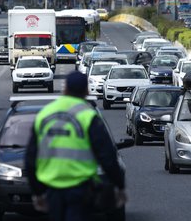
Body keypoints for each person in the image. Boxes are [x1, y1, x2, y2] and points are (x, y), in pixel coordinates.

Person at [25, 71, 127, 221]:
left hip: (52, 187)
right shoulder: (88, 115)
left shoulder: (44, 114)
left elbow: (30, 158)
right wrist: (119, 185)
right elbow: (107, 156)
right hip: (81, 187)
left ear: (64, 89)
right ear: (87, 90)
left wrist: (37, 192)